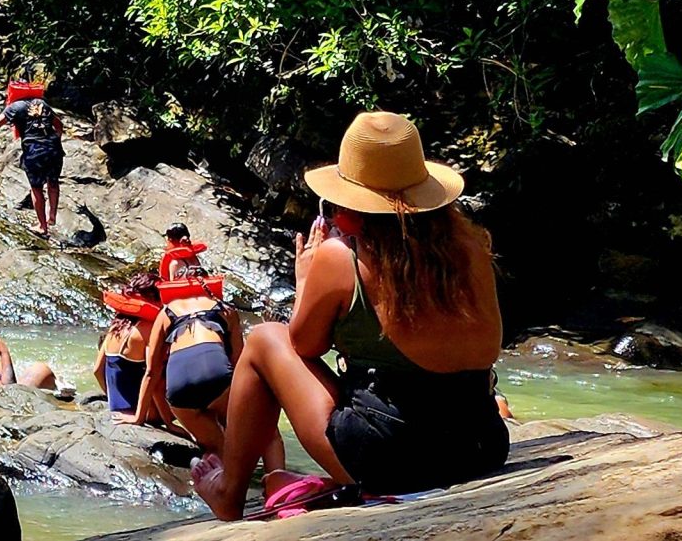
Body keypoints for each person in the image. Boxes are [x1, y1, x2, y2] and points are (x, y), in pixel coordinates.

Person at [192, 112, 507, 520]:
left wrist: (305, 279)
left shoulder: (342, 258)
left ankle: (229, 490)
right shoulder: (470, 248)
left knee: (264, 340)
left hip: (392, 462)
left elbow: (303, 345)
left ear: (351, 208)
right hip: (479, 448)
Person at [142, 258, 282, 472]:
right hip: (216, 377)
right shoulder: (225, 309)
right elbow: (240, 361)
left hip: (179, 394)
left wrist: (138, 418)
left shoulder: (166, 312)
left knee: (220, 451)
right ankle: (275, 486)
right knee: (268, 434)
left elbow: (152, 371)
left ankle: (219, 478)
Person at [0, 84, 64, 238]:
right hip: (54, 149)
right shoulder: (43, 104)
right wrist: (53, 141)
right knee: (53, 183)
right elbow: (59, 126)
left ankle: (42, 226)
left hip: (34, 150)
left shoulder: (15, 106)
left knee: (36, 188)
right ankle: (52, 217)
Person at [95, 275, 161, 420]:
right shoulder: (148, 329)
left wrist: (112, 398)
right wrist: (140, 418)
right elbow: (151, 374)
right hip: (147, 412)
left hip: (116, 407)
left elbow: (97, 370)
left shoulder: (115, 326)